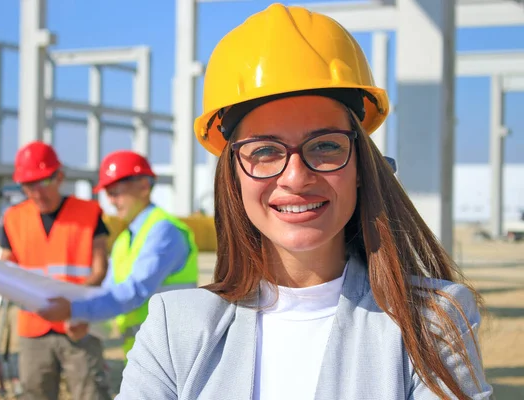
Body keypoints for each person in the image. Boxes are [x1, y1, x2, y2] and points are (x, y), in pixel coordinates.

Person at [114, 4, 492, 400]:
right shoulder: (175, 329)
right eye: (263, 151)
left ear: (362, 166)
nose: (295, 177)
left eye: (326, 145)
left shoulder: (430, 322)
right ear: (233, 178)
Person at [37, 150, 199, 357]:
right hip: (142, 352)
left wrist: (75, 309)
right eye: (108, 193)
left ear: (143, 187)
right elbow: (111, 290)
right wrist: (86, 321)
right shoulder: (124, 240)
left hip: (173, 352)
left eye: (116, 192)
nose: (111, 201)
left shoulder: (163, 231)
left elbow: (134, 290)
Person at [0, 140, 111, 400]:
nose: (37, 192)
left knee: (90, 392)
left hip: (78, 323)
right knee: (34, 393)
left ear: (59, 176)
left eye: (43, 182)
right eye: (28, 185)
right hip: (33, 326)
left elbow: (100, 268)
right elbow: (6, 267)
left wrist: (74, 306)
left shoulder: (89, 212)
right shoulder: (13, 218)